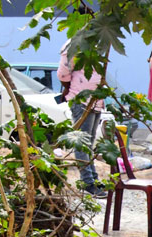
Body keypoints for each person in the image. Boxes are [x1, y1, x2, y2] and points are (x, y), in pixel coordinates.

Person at [57, 41, 105, 197]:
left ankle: (94, 179)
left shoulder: (96, 41)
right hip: (81, 100)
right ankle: (88, 182)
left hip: (96, 100)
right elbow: (63, 73)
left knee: (89, 143)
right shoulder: (73, 45)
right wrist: (69, 87)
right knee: (82, 143)